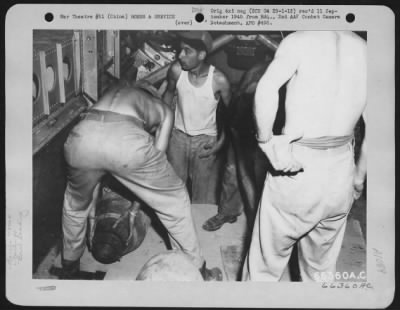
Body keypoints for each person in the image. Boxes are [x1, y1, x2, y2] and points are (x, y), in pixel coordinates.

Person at [61, 82, 222, 281]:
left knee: (75, 206)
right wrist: (141, 200)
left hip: (82, 137)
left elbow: (100, 158)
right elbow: (158, 156)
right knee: (175, 200)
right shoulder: (163, 109)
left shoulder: (112, 92)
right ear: (153, 95)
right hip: (126, 142)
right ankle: (198, 268)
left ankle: (69, 267)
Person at [242, 31, 367, 281]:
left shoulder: (299, 40)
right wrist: (359, 177)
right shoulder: (365, 47)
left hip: (298, 166)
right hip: (342, 169)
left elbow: (266, 88)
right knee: (321, 271)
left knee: (264, 269)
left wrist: (266, 142)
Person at [162, 31, 233, 231]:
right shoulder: (176, 71)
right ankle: (176, 229)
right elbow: (167, 98)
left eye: (187, 51)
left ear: (201, 55)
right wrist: (163, 131)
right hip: (177, 137)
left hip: (205, 140)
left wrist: (220, 142)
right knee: (174, 188)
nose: (180, 55)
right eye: (180, 50)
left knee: (202, 195)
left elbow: (231, 115)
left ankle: (200, 237)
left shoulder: (219, 80)